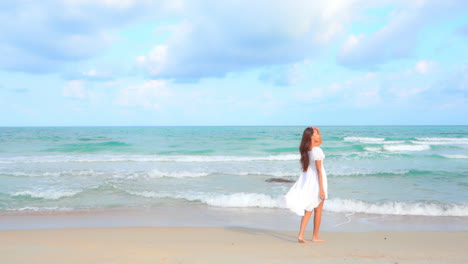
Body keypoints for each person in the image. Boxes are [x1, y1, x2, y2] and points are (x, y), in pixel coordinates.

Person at [284, 126, 328, 243]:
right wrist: (322, 189)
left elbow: (319, 141)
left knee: (309, 209)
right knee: (318, 210)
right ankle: (315, 237)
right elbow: (319, 170)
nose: (318, 135)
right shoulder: (317, 150)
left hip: (310, 180)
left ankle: (301, 235)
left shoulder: (307, 150)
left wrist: (316, 129)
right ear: (312, 137)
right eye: (316, 133)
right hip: (318, 181)